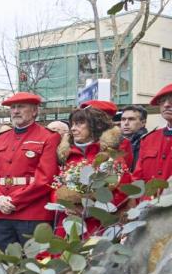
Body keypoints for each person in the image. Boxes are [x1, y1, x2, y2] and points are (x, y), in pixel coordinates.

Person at [0, 92, 61, 251]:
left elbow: (45, 179)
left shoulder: (48, 137)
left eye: (21, 106)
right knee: (7, 267)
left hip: (33, 214)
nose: (15, 111)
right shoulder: (1, 139)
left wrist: (13, 201)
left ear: (34, 111)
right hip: (3, 214)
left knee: (36, 268)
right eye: (13, 107)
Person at [55, 107, 131, 237]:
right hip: (69, 223)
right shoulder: (67, 156)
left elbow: (122, 190)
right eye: (72, 124)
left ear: (96, 126)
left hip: (100, 224)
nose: (73, 128)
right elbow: (55, 186)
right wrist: (65, 205)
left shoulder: (109, 155)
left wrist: (90, 210)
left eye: (79, 123)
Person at [133, 83, 172, 184]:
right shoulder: (149, 139)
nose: (166, 104)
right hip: (148, 199)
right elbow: (138, 178)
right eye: (162, 101)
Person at [119, 104, 149, 171]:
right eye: (123, 119)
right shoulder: (116, 143)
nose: (126, 123)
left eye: (131, 119)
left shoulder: (149, 142)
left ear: (143, 122)